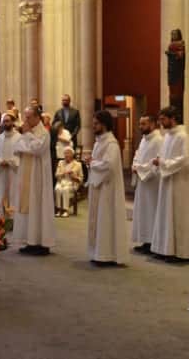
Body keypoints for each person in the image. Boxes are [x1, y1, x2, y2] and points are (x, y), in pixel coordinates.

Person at [85, 110, 129, 266]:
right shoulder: (99, 141)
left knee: (106, 220)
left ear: (103, 124)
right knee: (98, 220)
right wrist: (92, 162)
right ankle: (98, 252)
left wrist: (92, 163)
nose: (93, 126)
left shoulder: (111, 143)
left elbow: (109, 165)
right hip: (99, 186)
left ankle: (107, 255)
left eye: (96, 123)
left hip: (108, 189)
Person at [151, 106, 189, 262]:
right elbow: (163, 156)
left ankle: (180, 253)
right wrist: (159, 162)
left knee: (178, 216)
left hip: (180, 183)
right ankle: (165, 249)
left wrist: (163, 162)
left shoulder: (183, 136)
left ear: (173, 118)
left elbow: (185, 160)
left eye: (163, 119)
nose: (161, 122)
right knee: (165, 214)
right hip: (167, 180)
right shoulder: (168, 136)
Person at [13, 106, 56, 256]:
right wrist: (27, 142)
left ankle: (42, 243)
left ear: (37, 117)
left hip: (38, 178)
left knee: (39, 207)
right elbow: (17, 148)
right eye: (25, 117)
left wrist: (28, 138)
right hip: (26, 174)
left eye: (28, 117)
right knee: (28, 207)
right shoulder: (28, 132)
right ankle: (30, 241)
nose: (26, 120)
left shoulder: (43, 133)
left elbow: (37, 149)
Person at [130, 115, 163, 254]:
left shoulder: (159, 140)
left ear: (153, 124)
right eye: (140, 123)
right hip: (142, 182)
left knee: (152, 211)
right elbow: (137, 155)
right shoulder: (144, 139)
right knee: (143, 212)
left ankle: (153, 242)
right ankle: (145, 241)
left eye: (143, 124)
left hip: (152, 182)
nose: (140, 126)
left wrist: (141, 170)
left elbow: (157, 162)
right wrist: (135, 165)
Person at [0, 114, 21, 218]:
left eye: (8, 121)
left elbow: (22, 155)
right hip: (2, 171)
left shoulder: (19, 138)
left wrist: (11, 162)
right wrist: (0, 161)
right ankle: (1, 218)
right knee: (1, 193)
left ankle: (13, 219)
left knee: (13, 194)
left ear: (13, 122)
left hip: (14, 171)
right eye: (4, 121)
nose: (6, 123)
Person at [54, 148, 83, 217]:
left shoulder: (78, 164)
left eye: (68, 153)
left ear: (72, 155)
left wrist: (74, 177)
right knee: (57, 188)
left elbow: (81, 178)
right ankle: (59, 210)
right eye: (65, 153)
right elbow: (56, 175)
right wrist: (63, 173)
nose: (66, 155)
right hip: (61, 181)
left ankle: (65, 210)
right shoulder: (61, 162)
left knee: (65, 189)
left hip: (72, 183)